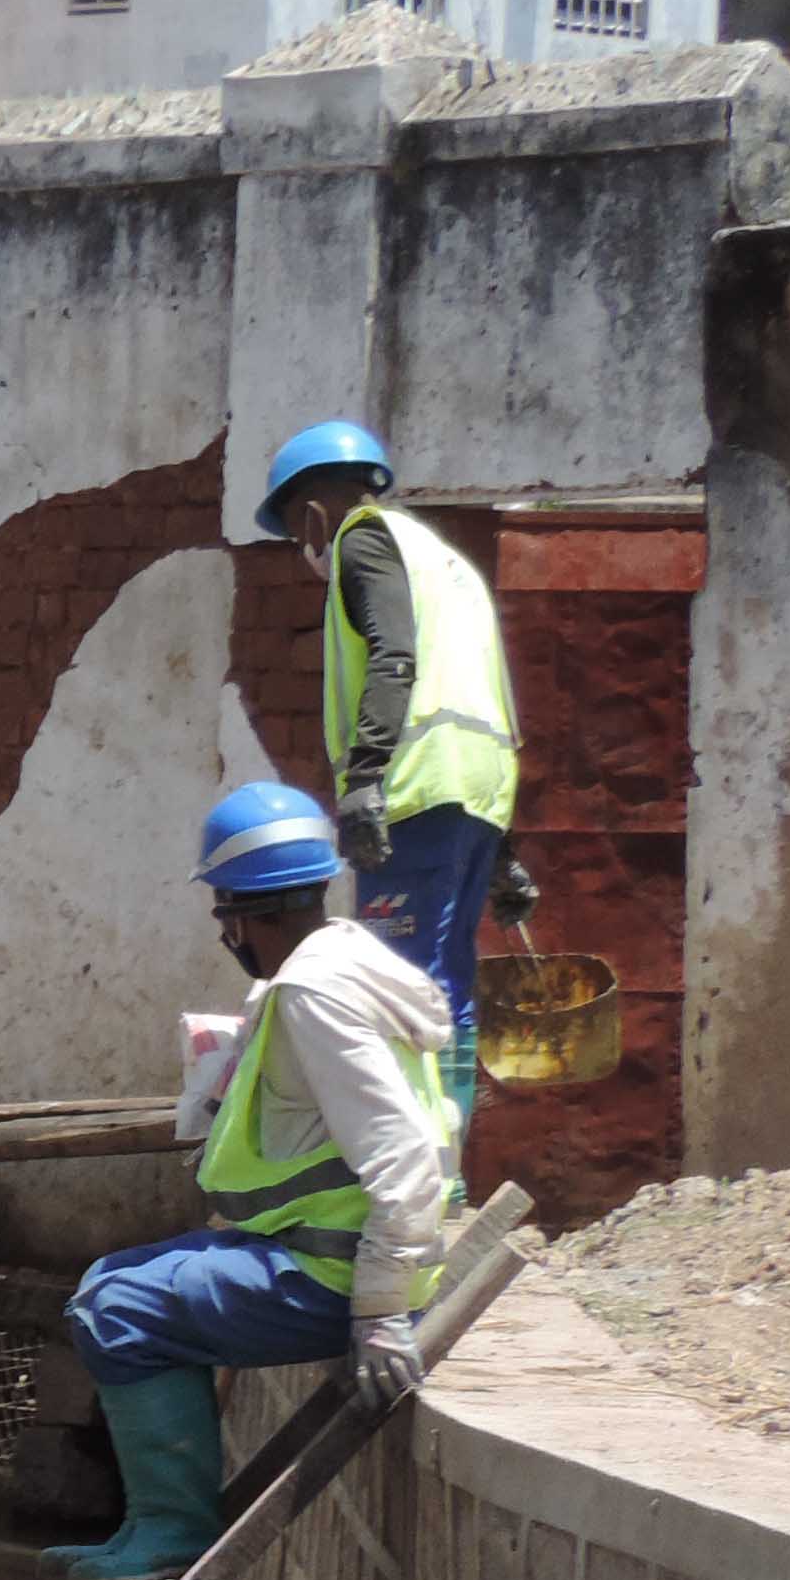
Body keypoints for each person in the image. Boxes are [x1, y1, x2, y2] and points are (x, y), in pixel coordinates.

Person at [44, 783, 457, 1580]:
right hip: (328, 1253)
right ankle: (145, 1524)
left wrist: (376, 1316)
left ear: (238, 914)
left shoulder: (313, 993)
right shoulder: (341, 961)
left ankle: (169, 1533)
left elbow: (403, 1156)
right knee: (105, 1281)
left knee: (117, 1310)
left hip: (336, 1276)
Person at [258, 419, 530, 1128]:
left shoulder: (363, 539)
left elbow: (394, 656)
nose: (302, 550)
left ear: (313, 511)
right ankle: (449, 1176)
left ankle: (420, 1180)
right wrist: (505, 852)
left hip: (413, 792)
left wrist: (365, 777)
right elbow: (479, 690)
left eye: (295, 531)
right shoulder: (447, 564)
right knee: (448, 987)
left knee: (399, 986)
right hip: (478, 792)